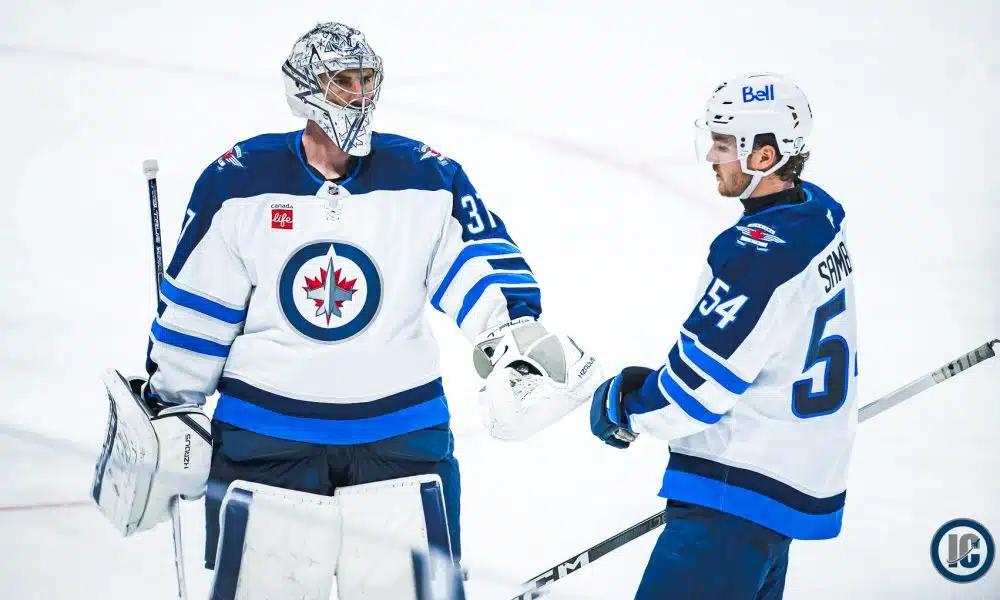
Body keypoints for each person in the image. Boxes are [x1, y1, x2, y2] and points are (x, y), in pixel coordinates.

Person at [91, 21, 602, 600]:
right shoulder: (240, 182)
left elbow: (477, 264)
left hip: (401, 444)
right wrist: (171, 400)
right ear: (306, 89)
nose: (359, 95)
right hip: (266, 447)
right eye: (343, 81)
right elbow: (198, 313)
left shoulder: (426, 178)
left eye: (366, 80)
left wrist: (513, 335)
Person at [589, 73, 859, 600]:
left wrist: (628, 408)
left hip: (729, 502)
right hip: (776, 497)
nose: (712, 157)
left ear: (765, 156)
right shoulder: (821, 214)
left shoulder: (756, 255)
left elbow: (695, 394)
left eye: (724, 145)